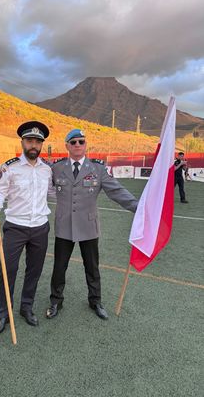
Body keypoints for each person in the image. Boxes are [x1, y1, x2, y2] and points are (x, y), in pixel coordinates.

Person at [46, 129, 138, 321]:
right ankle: (56, 301)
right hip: (64, 227)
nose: (77, 145)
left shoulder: (97, 169)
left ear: (86, 145)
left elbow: (116, 191)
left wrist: (138, 208)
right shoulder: (56, 168)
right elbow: (40, 188)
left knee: (92, 267)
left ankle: (95, 301)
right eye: (73, 142)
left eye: (81, 142)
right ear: (67, 146)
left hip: (88, 227)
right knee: (59, 267)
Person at [0, 121, 54, 335]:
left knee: (34, 271)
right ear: (23, 142)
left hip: (40, 227)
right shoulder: (10, 167)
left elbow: (53, 193)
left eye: (37, 141)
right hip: (15, 227)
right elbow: (0, 191)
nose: (33, 145)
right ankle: (3, 313)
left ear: (41, 145)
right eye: (29, 141)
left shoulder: (47, 169)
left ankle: (26, 307)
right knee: (8, 271)